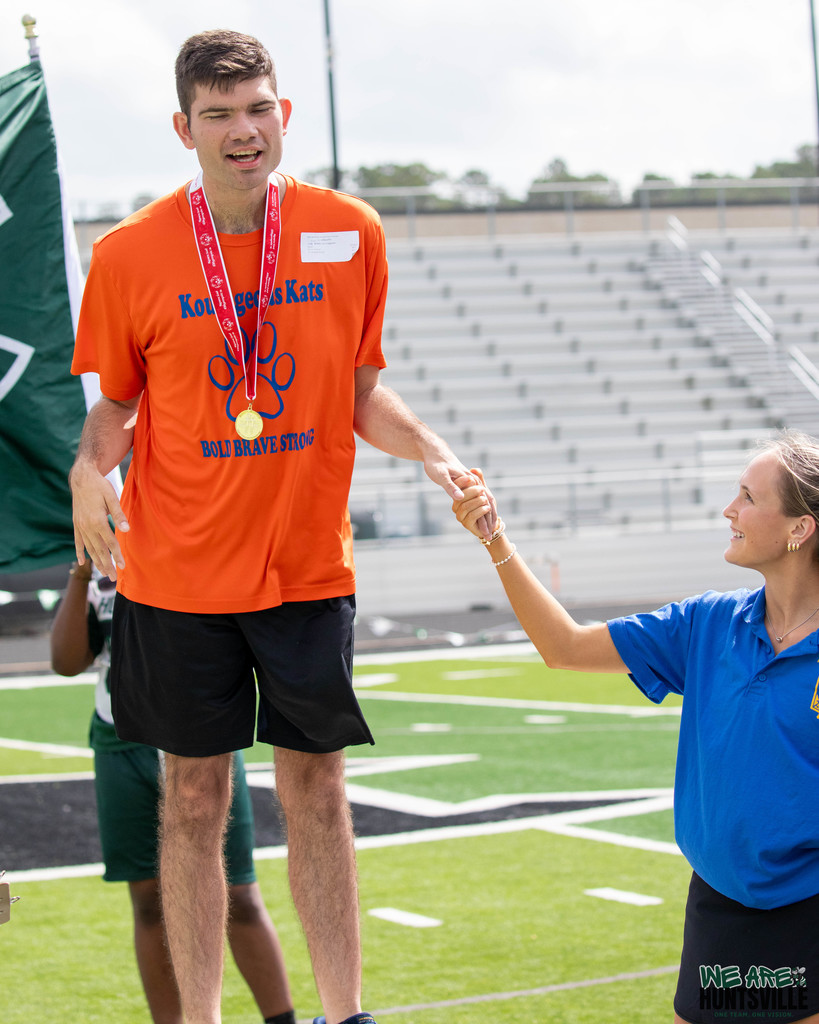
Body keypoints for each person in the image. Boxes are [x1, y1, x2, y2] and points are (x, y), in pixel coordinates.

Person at [68, 28, 491, 1024]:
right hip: (175, 574)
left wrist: (433, 450)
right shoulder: (128, 254)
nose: (243, 130)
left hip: (307, 566)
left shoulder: (352, 230)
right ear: (185, 128)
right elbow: (114, 406)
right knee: (192, 803)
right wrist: (89, 470)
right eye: (219, 114)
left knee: (318, 792)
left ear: (283, 114)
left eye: (258, 108)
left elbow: (364, 395)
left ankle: (345, 1014)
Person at [452, 432, 819, 1024]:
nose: (730, 510)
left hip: (807, 908)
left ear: (799, 529)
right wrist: (495, 540)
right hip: (720, 904)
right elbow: (564, 646)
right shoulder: (706, 623)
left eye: (748, 497)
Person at [50, 560, 295, 1024]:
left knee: (238, 893)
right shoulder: (104, 552)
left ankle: (282, 1019)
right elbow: (65, 662)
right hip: (120, 740)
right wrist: (80, 574)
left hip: (204, 734)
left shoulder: (191, 532)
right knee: (149, 901)